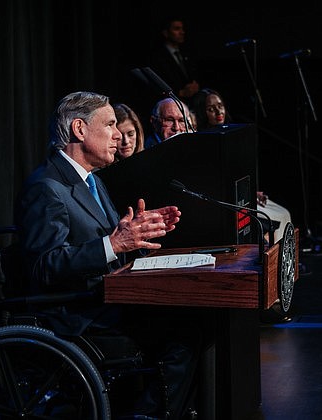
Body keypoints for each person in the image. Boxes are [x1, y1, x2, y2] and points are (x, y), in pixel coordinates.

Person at [15, 91, 200, 418]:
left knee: (196, 316)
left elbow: (111, 240)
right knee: (185, 335)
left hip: (108, 300)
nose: (118, 135)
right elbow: (45, 266)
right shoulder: (46, 188)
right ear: (79, 130)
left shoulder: (93, 182)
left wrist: (138, 233)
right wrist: (113, 244)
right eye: (110, 124)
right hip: (76, 315)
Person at [190, 88, 294, 243]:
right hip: (228, 202)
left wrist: (252, 192)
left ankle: (287, 262)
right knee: (276, 218)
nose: (218, 111)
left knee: (284, 213)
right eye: (210, 109)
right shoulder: (203, 142)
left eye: (220, 105)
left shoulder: (232, 134)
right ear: (202, 113)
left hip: (243, 195)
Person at [148, 16, 200, 103]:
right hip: (171, 103)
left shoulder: (187, 53)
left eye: (182, 29)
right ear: (166, 33)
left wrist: (195, 85)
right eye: (177, 29)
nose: (182, 32)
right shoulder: (157, 57)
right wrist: (180, 93)